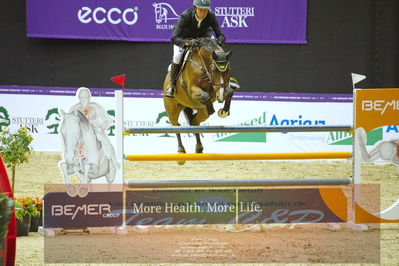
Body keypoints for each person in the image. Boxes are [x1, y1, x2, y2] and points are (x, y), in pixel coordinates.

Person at [165, 0, 226, 98]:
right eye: (200, 10)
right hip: (184, 38)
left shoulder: (211, 16)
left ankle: (224, 81)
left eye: (205, 10)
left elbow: (221, 36)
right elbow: (174, 38)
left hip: (203, 37)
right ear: (195, 8)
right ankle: (171, 84)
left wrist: (218, 42)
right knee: (177, 56)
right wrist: (187, 43)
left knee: (218, 52)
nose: (203, 13)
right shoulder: (185, 16)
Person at [68, 87, 119, 169]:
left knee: (102, 138)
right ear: (78, 98)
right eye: (81, 97)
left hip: (95, 131)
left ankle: (113, 159)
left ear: (89, 97)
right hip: (79, 133)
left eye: (85, 97)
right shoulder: (74, 108)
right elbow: (68, 122)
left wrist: (101, 128)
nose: (83, 100)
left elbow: (109, 121)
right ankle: (71, 161)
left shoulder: (96, 107)